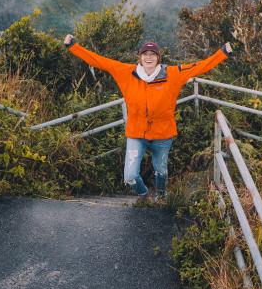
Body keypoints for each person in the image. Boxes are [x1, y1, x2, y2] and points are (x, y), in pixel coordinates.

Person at [65, 34, 231, 200]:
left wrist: (223, 53)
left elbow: (200, 67)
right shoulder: (126, 72)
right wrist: (73, 46)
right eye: (145, 54)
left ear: (158, 58)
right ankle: (144, 197)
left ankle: (161, 197)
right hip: (136, 132)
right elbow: (99, 61)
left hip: (163, 133)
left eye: (153, 54)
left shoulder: (172, 74)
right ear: (140, 57)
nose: (149, 57)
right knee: (130, 176)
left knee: (161, 170)